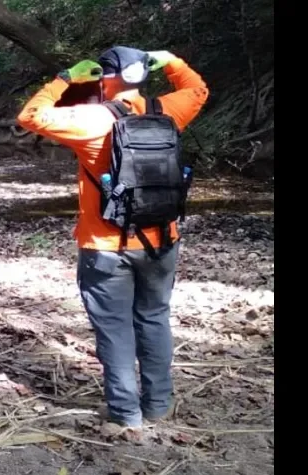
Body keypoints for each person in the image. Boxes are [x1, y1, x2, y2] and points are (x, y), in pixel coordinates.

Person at [16, 46, 209, 431]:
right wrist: (171, 60)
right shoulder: (168, 111)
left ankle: (125, 414)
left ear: (104, 77)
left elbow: (30, 116)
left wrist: (66, 79)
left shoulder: (91, 119)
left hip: (105, 247)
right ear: (143, 76)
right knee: (155, 318)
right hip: (162, 239)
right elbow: (198, 89)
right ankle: (157, 404)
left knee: (115, 328)